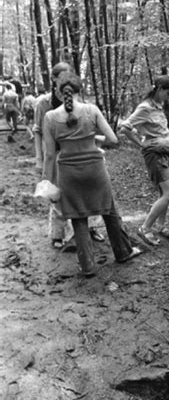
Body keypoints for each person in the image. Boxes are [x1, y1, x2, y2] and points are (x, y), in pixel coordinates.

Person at [42, 72, 141, 277]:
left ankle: (87, 265)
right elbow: (114, 139)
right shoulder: (91, 110)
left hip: (69, 174)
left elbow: (50, 155)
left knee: (79, 218)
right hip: (95, 170)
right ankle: (123, 252)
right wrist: (93, 138)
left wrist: (46, 182)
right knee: (109, 211)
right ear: (81, 91)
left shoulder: (50, 117)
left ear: (60, 94)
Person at [34, 62, 104, 249]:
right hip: (56, 154)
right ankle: (58, 234)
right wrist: (40, 160)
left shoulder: (81, 103)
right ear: (54, 80)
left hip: (78, 154)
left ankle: (91, 228)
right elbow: (38, 131)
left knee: (86, 192)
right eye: (61, 77)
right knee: (56, 194)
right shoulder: (44, 103)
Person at [119, 75, 169, 246]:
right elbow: (124, 128)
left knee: (166, 193)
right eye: (168, 94)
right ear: (160, 89)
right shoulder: (145, 108)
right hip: (155, 153)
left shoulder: (158, 106)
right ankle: (145, 228)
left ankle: (161, 226)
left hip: (166, 151)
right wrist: (141, 144)